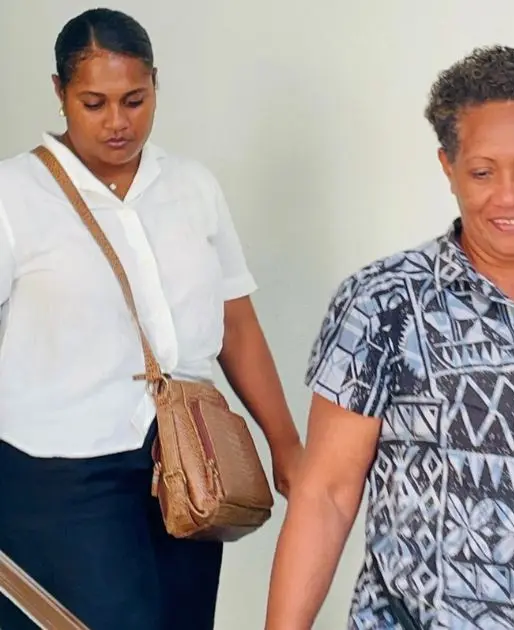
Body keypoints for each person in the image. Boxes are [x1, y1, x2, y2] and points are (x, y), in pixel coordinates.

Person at [265, 45, 514, 630]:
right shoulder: (385, 302)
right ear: (448, 167)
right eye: (482, 172)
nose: (509, 195)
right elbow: (328, 495)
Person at [0, 8, 303, 630]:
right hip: (59, 473)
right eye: (95, 102)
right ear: (60, 93)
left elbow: (236, 324)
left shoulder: (192, 186)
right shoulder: (14, 195)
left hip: (189, 462)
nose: (118, 122)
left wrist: (285, 443)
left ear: (156, 84)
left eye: (135, 99)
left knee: (181, 620)